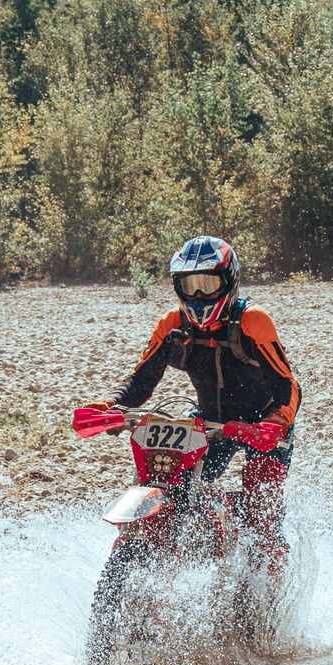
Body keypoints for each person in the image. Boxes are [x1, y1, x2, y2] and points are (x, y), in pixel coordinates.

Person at [99, 236, 301, 550]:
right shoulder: (172, 324)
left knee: (262, 514)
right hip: (209, 419)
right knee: (165, 478)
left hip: (263, 425)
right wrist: (109, 404)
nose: (197, 294)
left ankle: (272, 579)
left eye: (207, 283)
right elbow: (141, 381)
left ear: (229, 280)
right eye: (189, 284)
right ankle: (162, 548)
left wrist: (277, 422)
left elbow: (287, 384)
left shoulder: (253, 321)